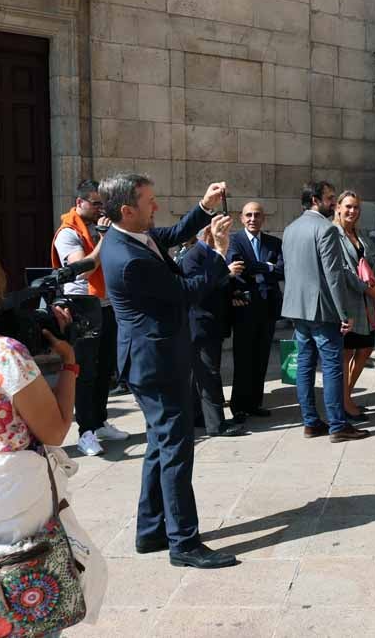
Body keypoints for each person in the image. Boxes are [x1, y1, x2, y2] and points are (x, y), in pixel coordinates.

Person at [99, 173, 237, 568]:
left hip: (153, 357)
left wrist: (206, 205)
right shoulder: (129, 259)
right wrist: (219, 254)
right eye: (149, 201)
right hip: (156, 363)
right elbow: (185, 293)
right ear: (127, 210)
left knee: (161, 446)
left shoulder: (133, 237)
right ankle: (184, 543)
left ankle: (150, 530)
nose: (156, 206)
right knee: (177, 450)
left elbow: (177, 231)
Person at [0, 224, 77, 637]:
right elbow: (55, 430)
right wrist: (69, 366)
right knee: (27, 613)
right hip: (10, 508)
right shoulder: (0, 353)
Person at [282, 185, 369, 442]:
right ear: (314, 200)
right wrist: (344, 312)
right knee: (332, 367)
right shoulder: (326, 228)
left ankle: (310, 422)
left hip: (297, 309)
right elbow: (333, 275)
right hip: (322, 309)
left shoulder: (290, 229)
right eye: (330, 198)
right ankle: (338, 425)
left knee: (305, 367)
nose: (333, 203)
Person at [50, 179, 129, 457]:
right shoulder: (68, 233)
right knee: (85, 373)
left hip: (107, 304)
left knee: (106, 368)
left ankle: (99, 421)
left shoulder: (100, 227)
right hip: (82, 306)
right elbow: (82, 269)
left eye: (102, 203)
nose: (100, 208)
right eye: (95, 203)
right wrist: (106, 239)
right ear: (79, 203)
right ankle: (85, 432)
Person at [180, 225, 246, 437]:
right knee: (209, 374)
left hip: (212, 322)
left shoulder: (209, 255)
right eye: (221, 233)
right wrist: (227, 273)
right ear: (208, 235)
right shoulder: (194, 257)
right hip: (200, 324)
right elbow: (199, 289)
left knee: (201, 374)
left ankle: (198, 416)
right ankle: (217, 424)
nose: (226, 238)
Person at [227, 201, 284, 421]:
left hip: (268, 308)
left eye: (257, 215)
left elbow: (282, 270)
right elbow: (239, 265)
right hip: (244, 307)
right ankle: (239, 406)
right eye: (248, 215)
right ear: (242, 218)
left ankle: (254, 403)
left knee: (261, 357)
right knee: (243, 358)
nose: (253, 219)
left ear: (263, 219)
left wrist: (259, 266)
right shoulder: (235, 240)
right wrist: (267, 266)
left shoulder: (274, 243)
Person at [334, 191, 375, 420]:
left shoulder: (360, 234)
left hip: (367, 303)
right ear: (338, 208)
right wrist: (368, 288)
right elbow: (342, 270)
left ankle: (346, 395)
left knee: (365, 348)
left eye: (356, 208)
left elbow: (373, 261)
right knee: (346, 353)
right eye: (348, 207)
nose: (352, 211)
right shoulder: (333, 234)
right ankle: (344, 403)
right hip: (347, 301)